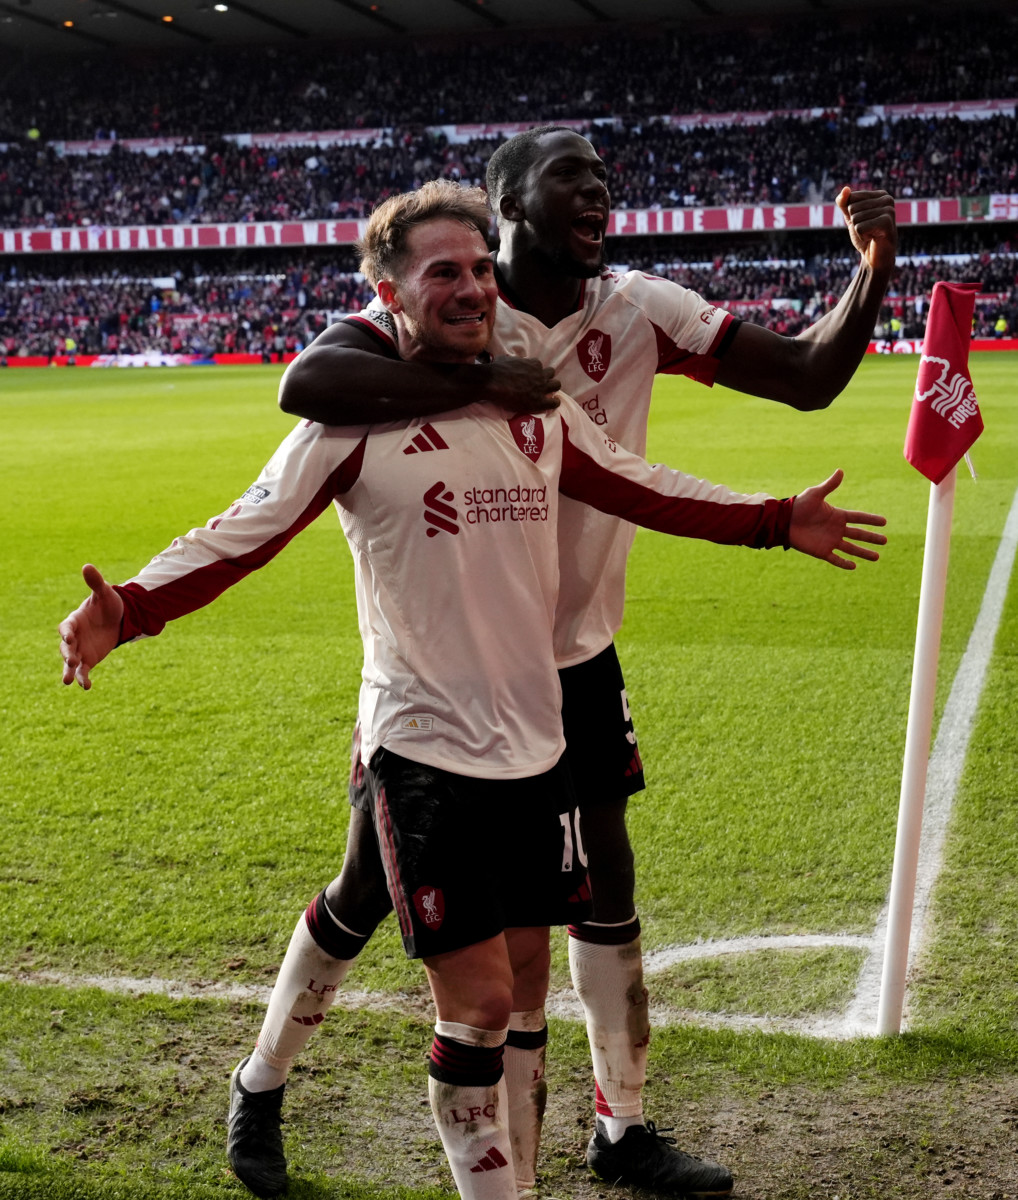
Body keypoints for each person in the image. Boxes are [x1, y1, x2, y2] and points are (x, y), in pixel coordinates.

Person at [59, 183, 885, 1200]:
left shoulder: (532, 407)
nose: (470, 287)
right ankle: (289, 1098)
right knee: (485, 1001)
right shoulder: (348, 419)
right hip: (419, 742)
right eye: (441, 272)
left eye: (481, 269)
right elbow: (244, 530)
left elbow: (641, 480)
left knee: (467, 956)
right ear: (387, 291)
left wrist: (771, 520)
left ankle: (270, 1082)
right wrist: (127, 608)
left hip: (533, 745)